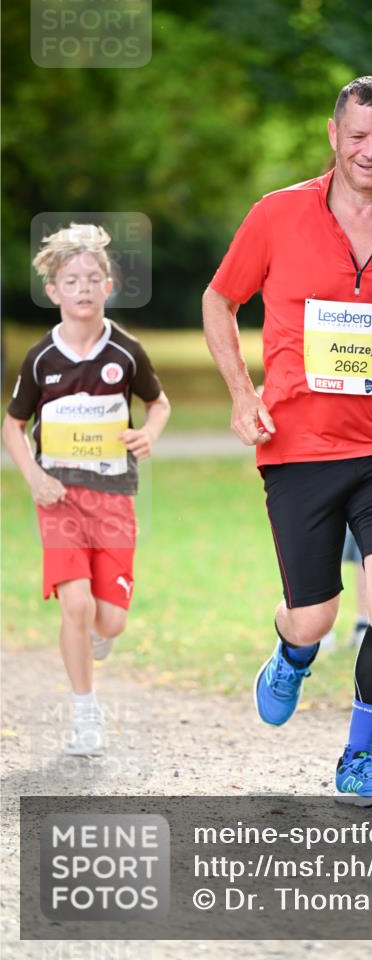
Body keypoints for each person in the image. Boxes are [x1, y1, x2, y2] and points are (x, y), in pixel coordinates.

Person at [202, 76, 372, 806]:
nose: (370, 150)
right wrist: (239, 392)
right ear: (333, 135)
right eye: (356, 135)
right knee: (316, 615)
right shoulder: (277, 215)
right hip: (294, 445)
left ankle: (359, 759)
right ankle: (292, 652)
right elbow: (219, 299)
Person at [3, 224, 170, 756]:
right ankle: (85, 716)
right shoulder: (39, 359)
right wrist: (34, 477)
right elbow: (12, 425)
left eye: (92, 278)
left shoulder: (127, 350)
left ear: (108, 287)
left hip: (115, 496)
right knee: (73, 606)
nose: (82, 287)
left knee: (110, 620)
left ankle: (100, 637)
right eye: (70, 280)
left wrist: (148, 434)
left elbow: (159, 403)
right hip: (58, 497)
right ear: (53, 292)